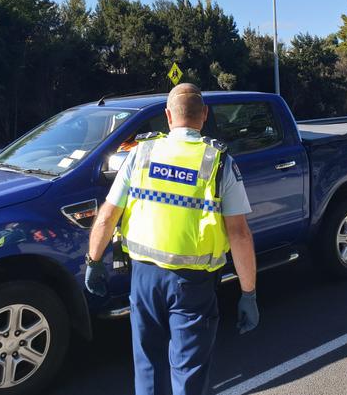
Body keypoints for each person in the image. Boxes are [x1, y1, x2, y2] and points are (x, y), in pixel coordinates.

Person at [84, 83, 259, 395]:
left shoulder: (140, 155)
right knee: (188, 370)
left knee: (148, 364)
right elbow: (239, 234)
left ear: (167, 115)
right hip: (192, 285)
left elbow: (108, 214)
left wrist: (94, 261)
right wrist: (249, 293)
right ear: (204, 115)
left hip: (144, 279)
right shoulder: (217, 162)